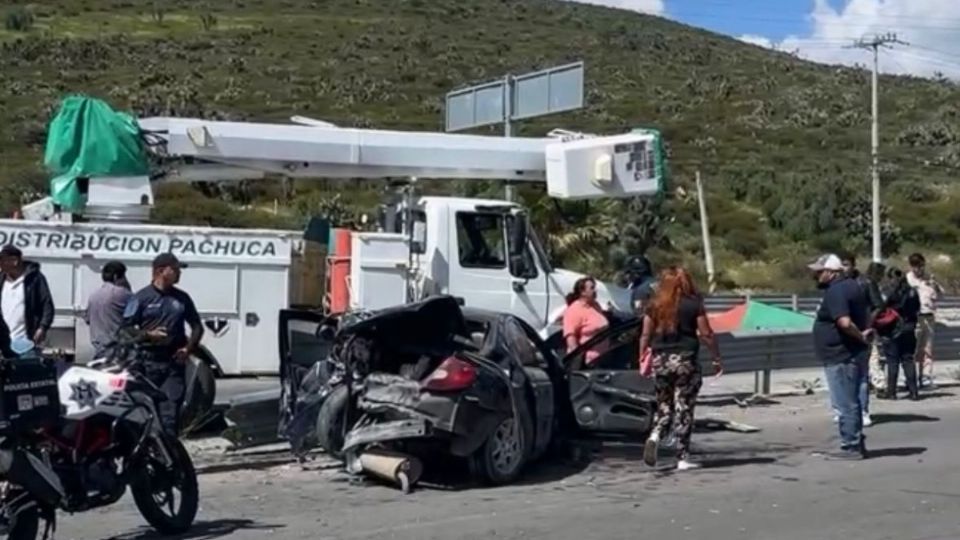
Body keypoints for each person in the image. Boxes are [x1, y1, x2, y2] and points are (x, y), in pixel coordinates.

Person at [639, 266, 722, 471]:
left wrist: (642, 355)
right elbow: (706, 333)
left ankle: (655, 434)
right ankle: (682, 456)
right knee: (683, 406)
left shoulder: (654, 305)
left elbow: (645, 335)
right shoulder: (693, 304)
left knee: (664, 404)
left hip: (661, 360)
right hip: (685, 360)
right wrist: (716, 357)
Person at [123, 253, 204, 436]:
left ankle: (170, 457)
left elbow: (197, 327)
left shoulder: (182, 298)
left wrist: (188, 348)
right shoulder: (140, 298)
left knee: (170, 413)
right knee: (146, 413)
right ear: (161, 271)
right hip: (147, 363)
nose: (179, 274)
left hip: (173, 364)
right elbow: (124, 330)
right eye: (175, 270)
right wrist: (147, 335)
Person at [810, 254, 872, 460]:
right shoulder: (853, 285)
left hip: (840, 354)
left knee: (845, 402)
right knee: (851, 400)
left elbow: (844, 322)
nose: (816, 275)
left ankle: (851, 445)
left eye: (820, 271)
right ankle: (855, 440)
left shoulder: (836, 290)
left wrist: (860, 336)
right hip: (847, 352)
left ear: (831, 272)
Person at [876, 267, 920, 401]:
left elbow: (881, 308)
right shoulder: (912, 292)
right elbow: (917, 309)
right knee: (908, 359)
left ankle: (891, 392)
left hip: (893, 329)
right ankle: (914, 392)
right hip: (909, 328)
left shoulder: (888, 292)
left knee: (892, 361)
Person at [0, 245, 54, 345]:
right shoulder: (1, 280)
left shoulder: (35, 279)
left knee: (26, 360)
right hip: (3, 343)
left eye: (1, 260)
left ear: (14, 261)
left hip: (25, 341)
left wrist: (42, 327)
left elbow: (47, 305)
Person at [906, 253, 943, 388]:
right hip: (915, 317)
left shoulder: (929, 279)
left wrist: (935, 285)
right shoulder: (908, 280)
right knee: (913, 349)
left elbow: (940, 295)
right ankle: (911, 377)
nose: (919, 269)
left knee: (927, 349)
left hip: (929, 316)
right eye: (916, 266)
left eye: (921, 266)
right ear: (911, 266)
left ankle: (926, 376)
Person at [84, 260, 133, 359]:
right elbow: (136, 310)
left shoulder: (93, 296)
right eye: (124, 276)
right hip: (119, 351)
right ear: (116, 276)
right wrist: (128, 287)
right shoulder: (122, 294)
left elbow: (87, 319)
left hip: (99, 350)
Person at [562, 277, 609, 366]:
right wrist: (577, 360)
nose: (595, 290)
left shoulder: (596, 306)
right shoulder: (574, 310)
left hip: (603, 357)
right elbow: (571, 338)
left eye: (594, 287)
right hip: (588, 361)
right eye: (592, 288)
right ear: (582, 292)